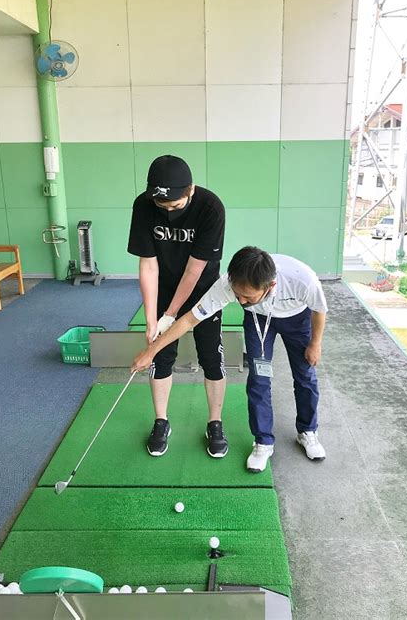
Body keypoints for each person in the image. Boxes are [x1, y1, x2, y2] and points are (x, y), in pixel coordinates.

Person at [131, 246, 328, 472]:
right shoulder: (227, 285)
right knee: (259, 379)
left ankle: (308, 432)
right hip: (259, 320)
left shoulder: (303, 280)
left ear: (270, 286)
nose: (241, 301)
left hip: (297, 318)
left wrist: (316, 343)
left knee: (305, 375)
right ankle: (263, 441)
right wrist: (151, 351)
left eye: (247, 296)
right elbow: (188, 321)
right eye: (237, 295)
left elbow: (319, 309)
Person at [127, 155, 227, 458]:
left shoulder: (211, 207)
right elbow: (148, 265)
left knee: (211, 355)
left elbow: (193, 271)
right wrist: (151, 320)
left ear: (191, 191)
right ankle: (161, 421)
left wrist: (171, 316)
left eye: (175, 206)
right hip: (165, 284)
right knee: (160, 354)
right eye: (162, 207)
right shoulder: (144, 205)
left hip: (203, 289)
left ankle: (215, 422)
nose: (169, 213)